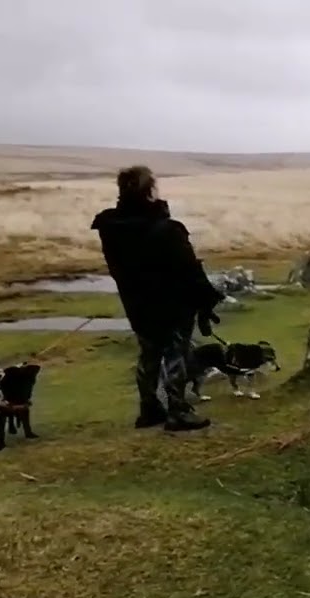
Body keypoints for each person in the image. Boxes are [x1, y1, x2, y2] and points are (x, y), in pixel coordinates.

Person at [92, 165, 225, 431]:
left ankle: (149, 409)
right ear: (150, 191)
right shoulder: (167, 229)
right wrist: (208, 298)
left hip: (138, 304)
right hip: (172, 305)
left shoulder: (112, 228)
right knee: (177, 356)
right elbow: (190, 271)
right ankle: (178, 412)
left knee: (149, 356)